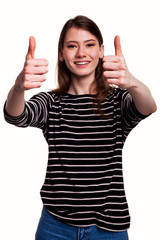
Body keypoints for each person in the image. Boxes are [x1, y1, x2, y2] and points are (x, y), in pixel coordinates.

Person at [4, 15, 157, 240]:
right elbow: (15, 116)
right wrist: (18, 86)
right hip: (55, 226)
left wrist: (131, 81)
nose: (81, 53)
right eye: (72, 46)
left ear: (102, 51)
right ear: (61, 54)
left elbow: (148, 107)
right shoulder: (51, 103)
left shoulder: (118, 101)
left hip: (108, 228)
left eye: (89, 45)